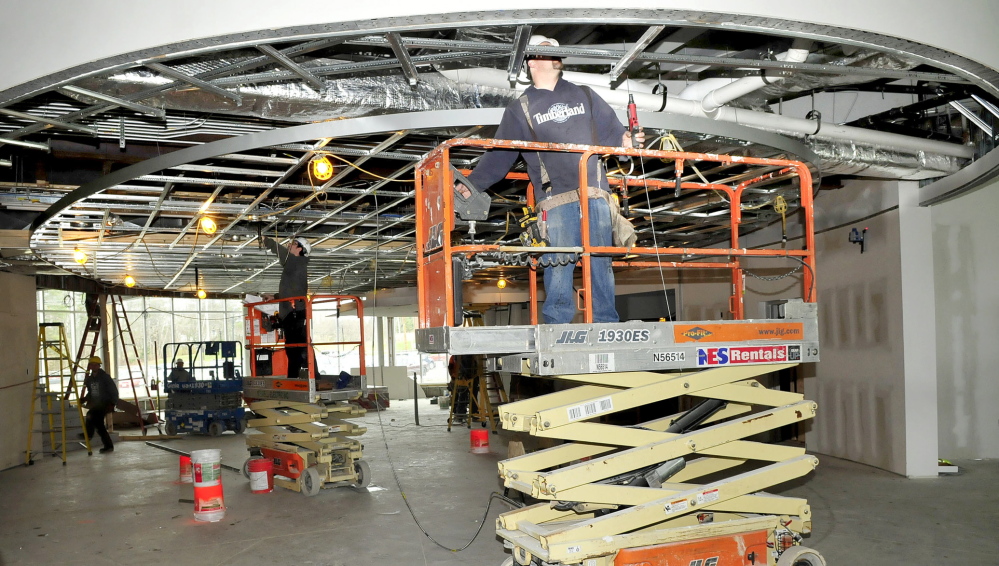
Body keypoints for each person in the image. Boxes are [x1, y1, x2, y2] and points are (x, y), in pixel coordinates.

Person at [456, 35, 644, 324]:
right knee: (558, 264)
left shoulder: (585, 95)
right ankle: (557, 327)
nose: (553, 53)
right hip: (555, 200)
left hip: (595, 194)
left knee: (600, 264)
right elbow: (499, 156)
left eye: (555, 50)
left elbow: (616, 138)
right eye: (544, 49)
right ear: (530, 61)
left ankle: (606, 324)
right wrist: (472, 185)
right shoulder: (521, 108)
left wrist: (627, 140)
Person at [263, 235, 312, 379]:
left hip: (294, 313)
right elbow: (292, 290)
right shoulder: (297, 265)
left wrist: (268, 240)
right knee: (298, 347)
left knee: (294, 349)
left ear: (300, 249)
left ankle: (295, 379)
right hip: (293, 313)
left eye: (293, 243)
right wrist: (275, 297)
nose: (289, 245)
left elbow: (282, 253)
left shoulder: (296, 262)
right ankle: (309, 377)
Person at [81, 356, 119, 453]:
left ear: (99, 366)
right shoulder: (89, 379)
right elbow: (91, 392)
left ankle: (89, 434)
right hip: (97, 404)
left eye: (95, 364)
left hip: (105, 403)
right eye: (92, 364)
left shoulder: (105, 377)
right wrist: (85, 399)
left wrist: (113, 403)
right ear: (89, 366)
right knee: (99, 425)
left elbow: (113, 391)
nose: (93, 366)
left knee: (90, 415)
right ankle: (108, 446)